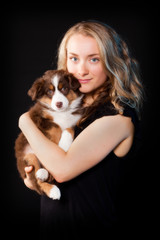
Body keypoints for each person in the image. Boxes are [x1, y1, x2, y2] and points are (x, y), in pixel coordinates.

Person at [19, 21, 144, 238]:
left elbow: (63, 169)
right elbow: (48, 168)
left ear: (110, 63)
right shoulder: (68, 109)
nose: (81, 70)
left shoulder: (118, 116)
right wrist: (33, 181)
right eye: (74, 58)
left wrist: (25, 122)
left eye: (94, 59)